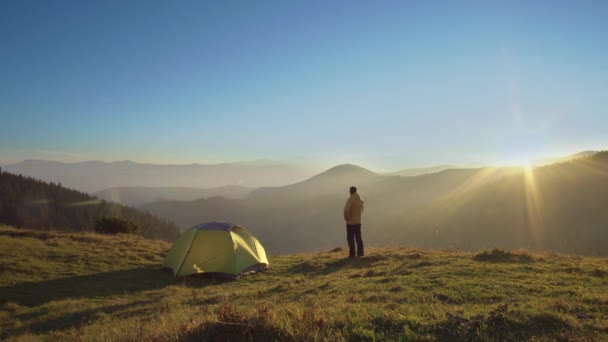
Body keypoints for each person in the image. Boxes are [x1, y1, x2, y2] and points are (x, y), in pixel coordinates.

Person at [343, 186, 364, 258]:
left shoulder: (350, 200)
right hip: (358, 222)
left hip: (351, 223)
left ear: (350, 191)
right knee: (359, 238)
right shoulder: (361, 200)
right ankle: (360, 254)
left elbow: (346, 210)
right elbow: (362, 210)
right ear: (356, 191)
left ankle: (352, 254)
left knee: (350, 238)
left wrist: (347, 218)